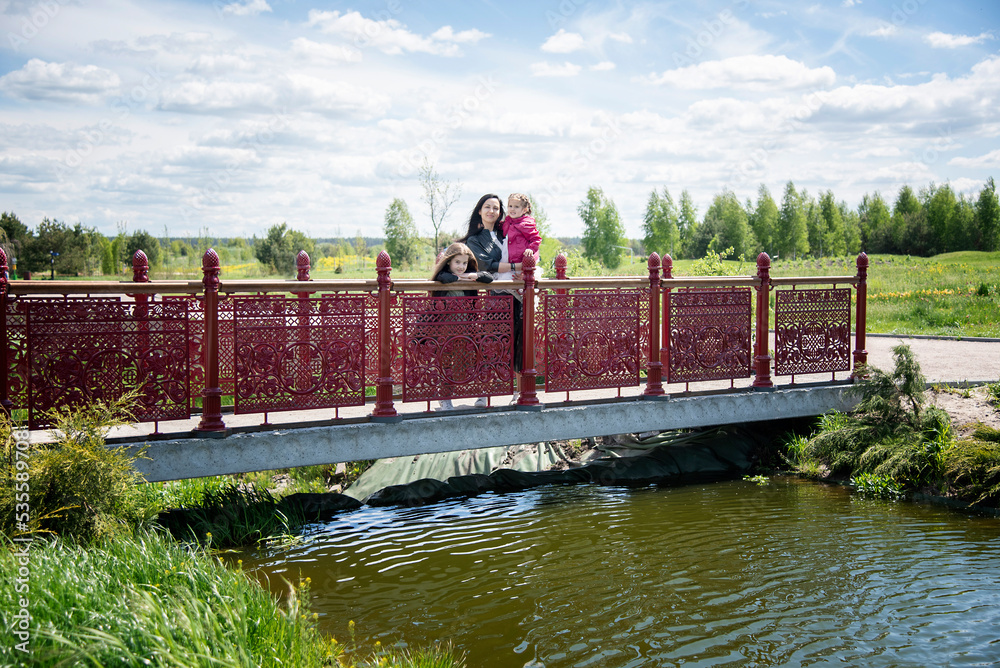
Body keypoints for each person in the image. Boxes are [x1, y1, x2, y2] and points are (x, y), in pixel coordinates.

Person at [459, 194, 523, 405]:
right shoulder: (475, 240)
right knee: (493, 343)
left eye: (496, 208)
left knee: (519, 343)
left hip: (519, 294)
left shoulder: (508, 230)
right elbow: (486, 265)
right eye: (487, 207)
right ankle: (485, 394)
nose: (491, 212)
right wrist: (516, 267)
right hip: (496, 298)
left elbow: (523, 249)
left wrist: (525, 267)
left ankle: (520, 393)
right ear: (480, 210)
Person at [427, 242, 493, 411]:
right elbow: (445, 277)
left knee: (474, 359)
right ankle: (445, 398)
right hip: (445, 330)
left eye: (464, 263)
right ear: (448, 261)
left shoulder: (468, 274)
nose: (461, 267)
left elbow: (488, 277)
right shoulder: (443, 276)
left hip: (467, 328)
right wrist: (465, 277)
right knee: (446, 363)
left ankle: (481, 394)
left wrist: (471, 275)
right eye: (457, 262)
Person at [502, 193, 542, 278]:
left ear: (524, 210)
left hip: (523, 262)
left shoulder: (525, 224)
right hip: (511, 263)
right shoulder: (507, 222)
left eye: (516, 207)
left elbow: (536, 239)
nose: (512, 209)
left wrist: (531, 249)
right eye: (510, 206)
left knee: (523, 285)